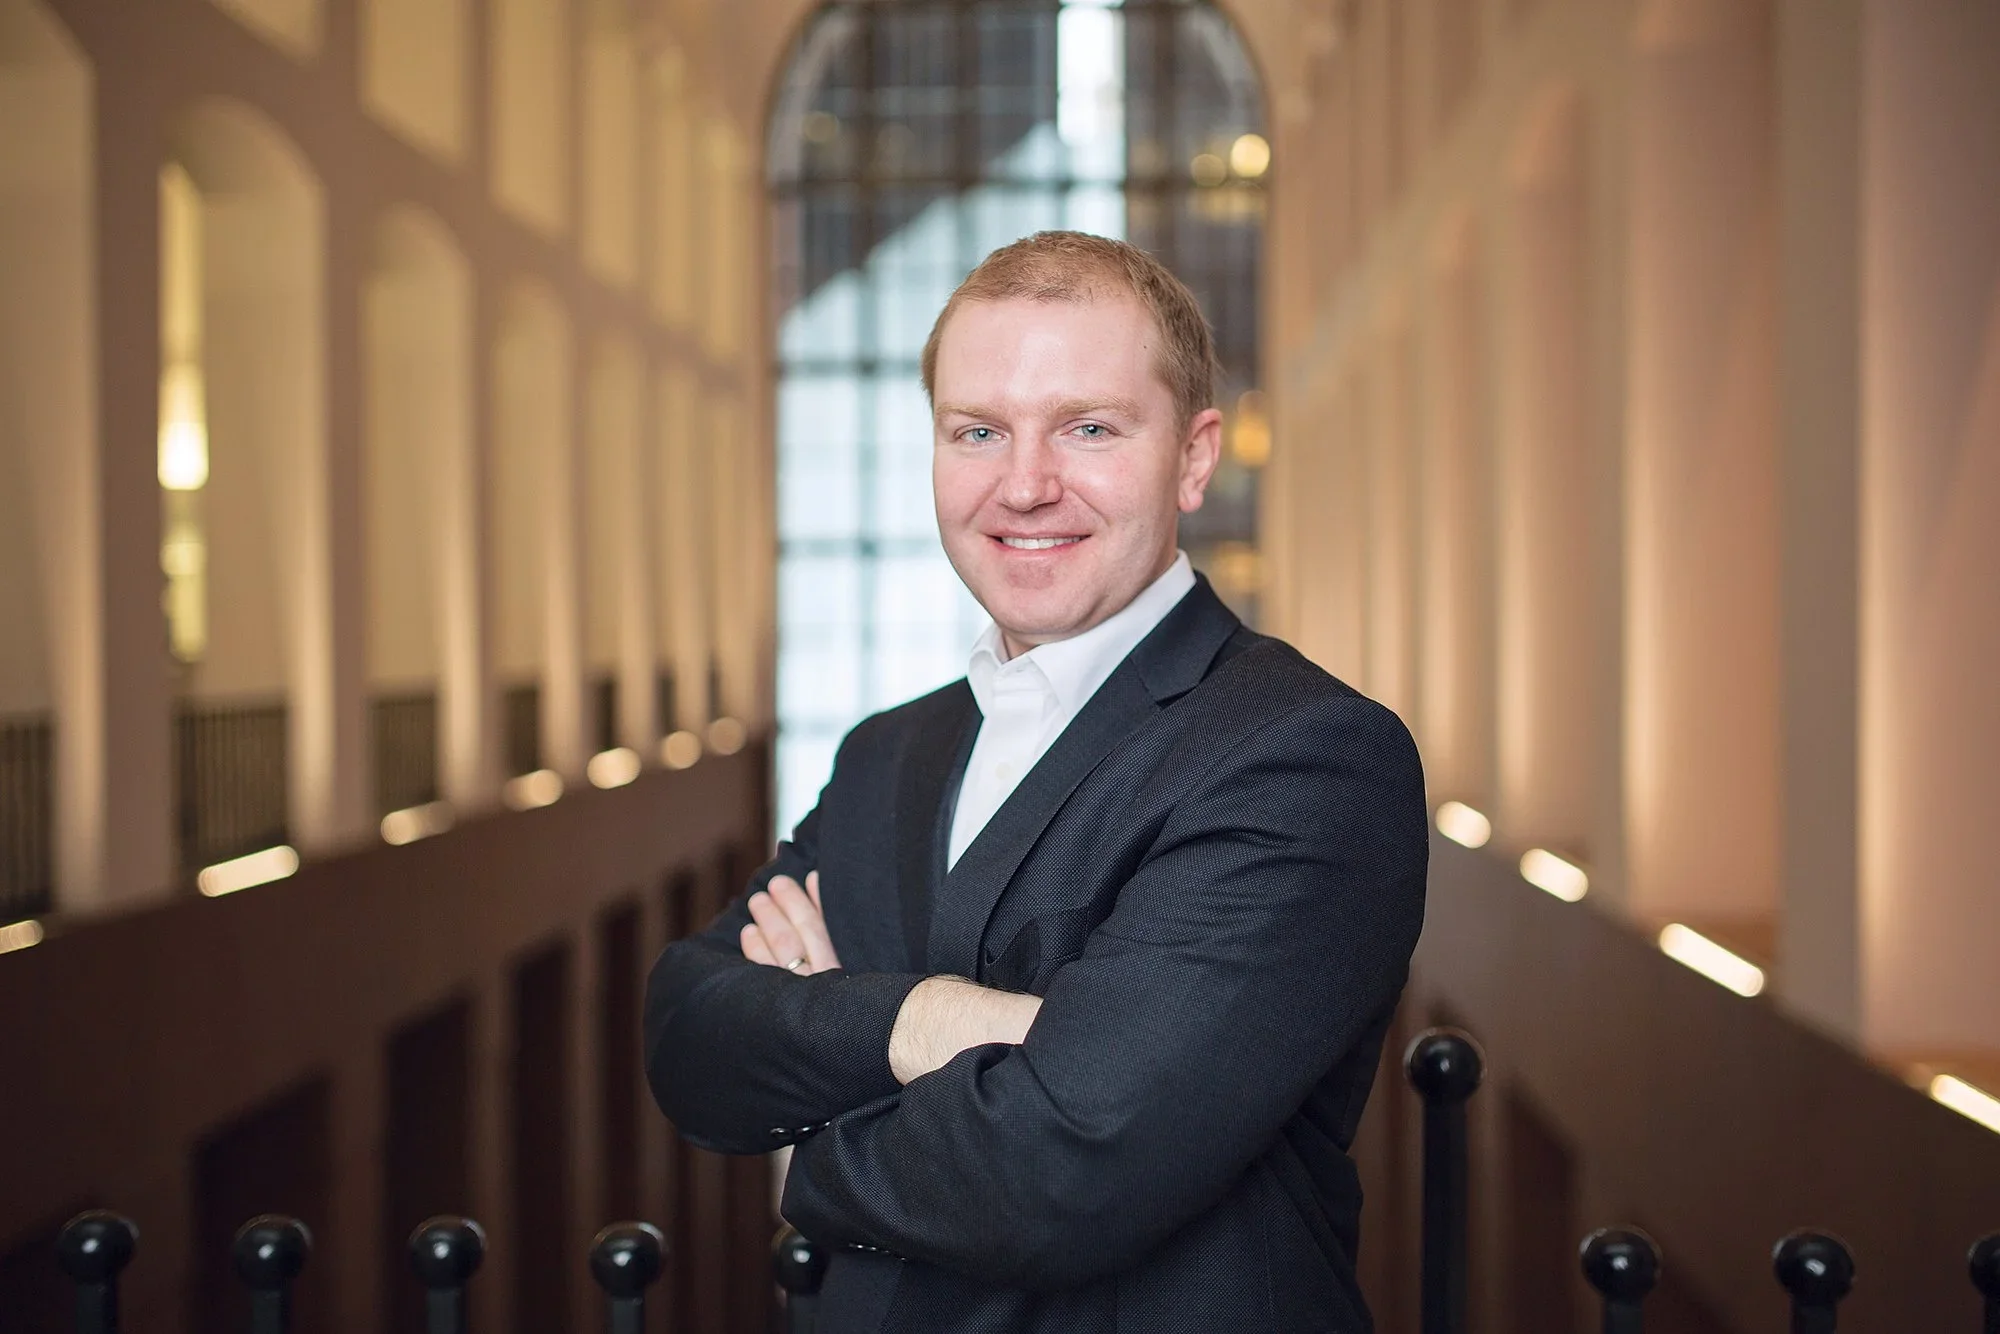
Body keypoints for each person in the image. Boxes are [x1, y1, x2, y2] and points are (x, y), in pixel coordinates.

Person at [644, 231, 1427, 1332]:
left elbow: (1066, 1171)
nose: (1023, 486)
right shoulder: (886, 753)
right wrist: (927, 1020)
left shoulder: (1306, 755)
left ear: (1193, 458)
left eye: (1088, 428)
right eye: (978, 431)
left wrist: (807, 1127)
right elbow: (686, 1033)